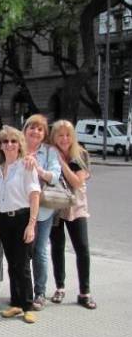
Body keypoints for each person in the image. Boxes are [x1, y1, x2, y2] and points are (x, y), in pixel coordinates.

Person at [0, 126, 40, 324]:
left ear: (19, 144)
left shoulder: (26, 166)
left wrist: (31, 224)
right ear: (1, 146)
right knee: (12, 263)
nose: (9, 145)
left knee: (22, 265)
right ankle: (16, 303)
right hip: (4, 220)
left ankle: (28, 305)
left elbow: (35, 195)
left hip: (22, 218)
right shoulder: (0, 168)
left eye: (13, 141)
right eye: (5, 141)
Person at [49, 120, 97, 309]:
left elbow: (77, 183)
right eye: (60, 135)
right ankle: (60, 287)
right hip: (55, 206)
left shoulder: (80, 154)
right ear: (54, 137)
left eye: (68, 135)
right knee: (57, 247)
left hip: (76, 207)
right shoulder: (49, 153)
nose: (64, 139)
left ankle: (85, 292)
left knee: (82, 248)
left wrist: (62, 163)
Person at [22, 114, 61, 310]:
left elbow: (54, 176)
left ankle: (40, 292)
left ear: (44, 133)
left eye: (40, 129)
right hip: (20, 208)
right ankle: (22, 291)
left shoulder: (49, 151)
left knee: (39, 251)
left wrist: (38, 168)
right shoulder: (17, 147)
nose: (35, 131)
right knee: (22, 252)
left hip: (43, 209)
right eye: (32, 127)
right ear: (25, 129)